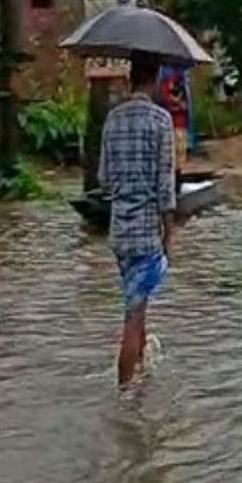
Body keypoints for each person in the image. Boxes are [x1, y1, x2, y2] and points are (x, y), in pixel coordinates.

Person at [98, 51, 175, 388]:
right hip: (146, 233)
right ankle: (126, 393)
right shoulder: (161, 121)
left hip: (119, 232)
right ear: (155, 79)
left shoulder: (112, 119)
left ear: (131, 78)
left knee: (137, 306)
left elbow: (104, 179)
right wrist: (169, 233)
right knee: (133, 316)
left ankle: (140, 378)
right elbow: (165, 185)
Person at [157, 67, 188, 198]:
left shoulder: (181, 85)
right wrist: (177, 103)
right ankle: (172, 185)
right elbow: (165, 102)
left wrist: (179, 104)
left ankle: (176, 184)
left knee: (179, 155)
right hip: (170, 125)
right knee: (171, 155)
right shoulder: (164, 85)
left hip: (180, 124)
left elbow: (185, 105)